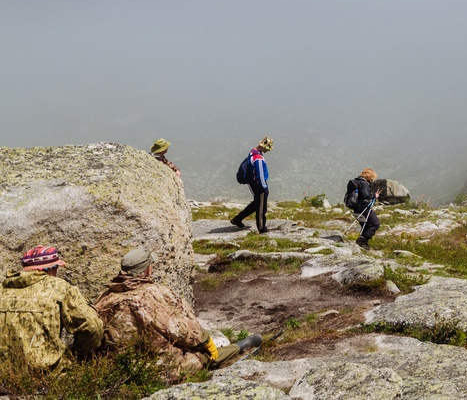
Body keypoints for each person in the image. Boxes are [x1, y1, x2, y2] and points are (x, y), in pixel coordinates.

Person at [93, 248, 260, 381]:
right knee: (203, 356)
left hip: (114, 366)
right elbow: (182, 331)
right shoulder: (153, 294)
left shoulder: (105, 296)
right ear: (147, 270)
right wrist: (205, 340)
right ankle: (241, 347)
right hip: (157, 368)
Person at [0, 246, 103, 373]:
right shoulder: (60, 288)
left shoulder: (2, 289)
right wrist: (76, 355)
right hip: (46, 377)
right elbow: (92, 327)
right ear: (50, 269)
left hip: (3, 379)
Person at [231, 136, 273, 233]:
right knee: (262, 207)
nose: (268, 151)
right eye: (268, 149)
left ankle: (237, 219)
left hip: (252, 183)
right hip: (258, 185)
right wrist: (264, 187)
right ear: (264, 147)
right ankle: (262, 228)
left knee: (256, 204)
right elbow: (260, 174)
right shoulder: (258, 158)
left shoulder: (253, 151)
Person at [346, 167, 382, 248]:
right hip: (364, 208)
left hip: (355, 208)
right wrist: (375, 195)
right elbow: (366, 196)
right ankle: (362, 240)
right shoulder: (364, 183)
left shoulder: (354, 182)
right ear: (370, 176)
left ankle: (363, 244)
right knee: (375, 224)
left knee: (365, 226)